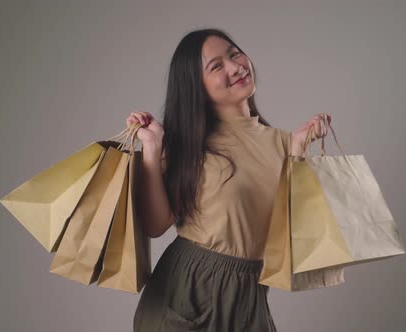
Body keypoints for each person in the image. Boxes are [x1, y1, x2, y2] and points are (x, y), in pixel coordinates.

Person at [129, 28, 331, 331]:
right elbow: (157, 225)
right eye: (217, 66)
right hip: (188, 291)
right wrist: (153, 147)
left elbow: (293, 233)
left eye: (235, 54)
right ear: (197, 86)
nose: (236, 67)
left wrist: (300, 147)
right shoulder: (187, 143)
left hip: (250, 292)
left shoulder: (285, 143)